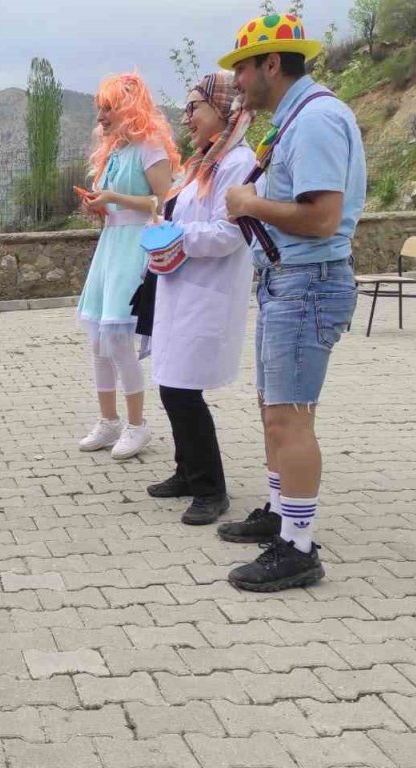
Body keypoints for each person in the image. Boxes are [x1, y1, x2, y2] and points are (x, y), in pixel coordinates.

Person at [217, 12, 366, 591]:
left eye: (242, 69)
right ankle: (281, 514)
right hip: (286, 282)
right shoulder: (297, 118)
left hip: (307, 284)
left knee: (292, 416)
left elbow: (323, 218)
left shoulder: (318, 120)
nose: (237, 82)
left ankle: (299, 548)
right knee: (273, 408)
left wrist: (250, 203)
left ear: (271, 65)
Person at [147, 71, 256, 526]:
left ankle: (211, 489)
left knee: (183, 390)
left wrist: (176, 233)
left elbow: (229, 234)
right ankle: (186, 471)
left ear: (225, 109)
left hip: (208, 292)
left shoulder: (238, 163)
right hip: (182, 286)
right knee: (171, 383)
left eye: (196, 107)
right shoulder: (203, 162)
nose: (187, 116)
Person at [76, 72, 178, 461]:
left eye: (108, 109)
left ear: (128, 109)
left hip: (135, 247)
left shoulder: (150, 147)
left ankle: (138, 426)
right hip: (111, 245)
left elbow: (164, 203)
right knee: (99, 340)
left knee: (118, 339)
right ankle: (109, 421)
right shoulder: (114, 152)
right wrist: (100, 207)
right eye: (100, 110)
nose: (101, 118)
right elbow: (117, 207)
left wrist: (117, 196)